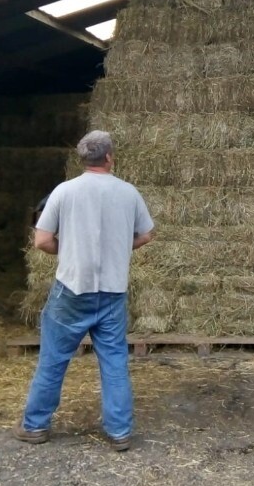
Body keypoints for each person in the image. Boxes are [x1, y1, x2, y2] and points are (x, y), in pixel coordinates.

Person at [15, 130, 154, 451]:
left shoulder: (65, 192)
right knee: (115, 361)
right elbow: (147, 235)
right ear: (109, 157)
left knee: (53, 360)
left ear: (83, 159)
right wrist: (119, 248)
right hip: (112, 292)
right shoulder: (128, 192)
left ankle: (35, 426)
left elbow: (41, 240)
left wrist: (68, 249)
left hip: (72, 291)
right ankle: (119, 432)